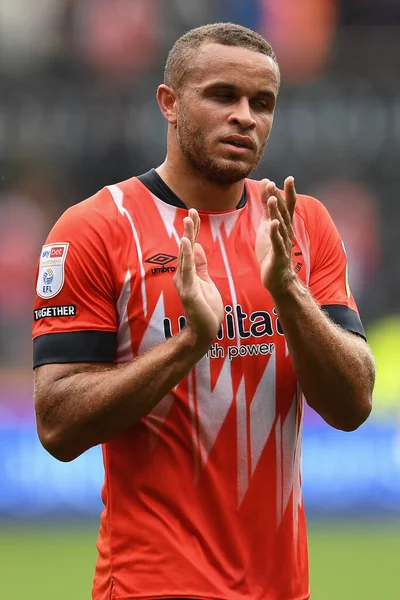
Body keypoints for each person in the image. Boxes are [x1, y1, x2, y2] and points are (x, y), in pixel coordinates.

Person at [32, 23, 375, 600]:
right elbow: (57, 425)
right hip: (150, 586)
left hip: (282, 588)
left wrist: (288, 293)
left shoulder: (300, 224)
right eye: (223, 96)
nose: (245, 116)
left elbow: (353, 404)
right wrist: (189, 345)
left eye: (262, 103)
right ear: (169, 103)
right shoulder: (96, 227)